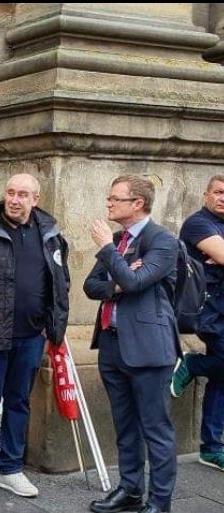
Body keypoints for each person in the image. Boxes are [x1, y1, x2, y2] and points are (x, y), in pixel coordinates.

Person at [0, 174, 70, 498]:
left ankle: (11, 469)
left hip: (31, 335)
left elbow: (60, 282)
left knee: (19, 402)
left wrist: (55, 328)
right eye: (10, 192)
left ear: (35, 199)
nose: (14, 199)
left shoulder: (50, 233)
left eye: (23, 194)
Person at [83, 175, 179, 513]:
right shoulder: (121, 240)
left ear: (137, 203)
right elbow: (91, 286)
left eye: (115, 198)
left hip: (149, 349)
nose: (108, 203)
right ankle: (131, 490)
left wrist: (110, 252)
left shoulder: (162, 240)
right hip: (111, 344)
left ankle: (160, 501)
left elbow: (137, 280)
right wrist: (119, 280)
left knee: (155, 428)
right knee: (124, 425)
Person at [172, 174, 224, 472]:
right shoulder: (198, 223)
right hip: (206, 308)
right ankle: (192, 364)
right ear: (206, 195)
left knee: (223, 377)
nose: (222, 197)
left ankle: (212, 448)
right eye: (218, 192)